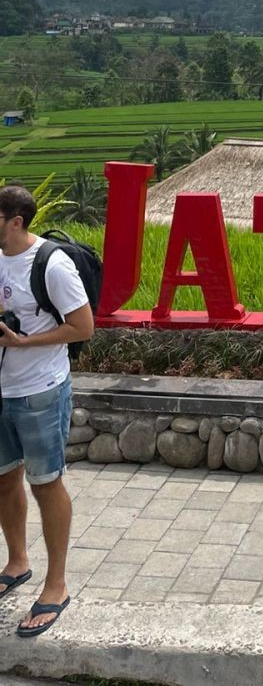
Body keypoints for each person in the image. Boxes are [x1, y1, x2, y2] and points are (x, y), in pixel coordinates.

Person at [0, 185, 94, 638]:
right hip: (0, 390)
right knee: (3, 478)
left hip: (40, 390)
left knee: (45, 484)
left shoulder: (52, 264)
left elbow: (83, 327)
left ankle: (56, 584)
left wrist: (23, 342)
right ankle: (17, 562)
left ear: (15, 220)